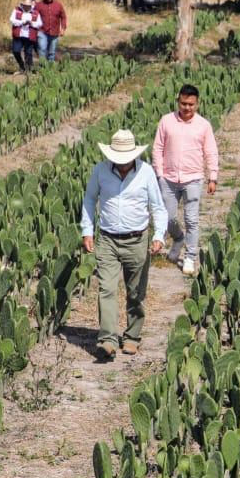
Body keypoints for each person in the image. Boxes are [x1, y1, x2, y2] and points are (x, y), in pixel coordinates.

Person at [80, 130, 167, 361]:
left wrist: (159, 235)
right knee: (106, 289)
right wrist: (87, 230)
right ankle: (107, 340)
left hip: (137, 240)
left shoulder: (146, 172)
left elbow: (158, 206)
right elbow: (89, 199)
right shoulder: (100, 171)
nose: (120, 162)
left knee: (135, 292)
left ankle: (132, 337)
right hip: (107, 239)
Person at [153, 84, 219, 276]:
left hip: (193, 179)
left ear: (197, 104)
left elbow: (211, 152)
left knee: (192, 220)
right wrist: (159, 173)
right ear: (178, 102)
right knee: (167, 217)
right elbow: (157, 148)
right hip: (169, 178)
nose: (187, 108)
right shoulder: (166, 121)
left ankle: (190, 256)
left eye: (191, 104)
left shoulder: (204, 125)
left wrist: (212, 177)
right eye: (183, 103)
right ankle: (178, 238)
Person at [9, 0, 42, 73]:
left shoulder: (35, 12)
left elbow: (39, 23)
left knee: (28, 53)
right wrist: (22, 22)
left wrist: (32, 23)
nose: (26, 7)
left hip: (29, 35)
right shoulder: (17, 10)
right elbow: (12, 20)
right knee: (16, 51)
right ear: (22, 4)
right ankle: (21, 65)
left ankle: (28, 69)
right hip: (18, 35)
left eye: (28, 5)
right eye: (25, 5)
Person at [35, 0, 67, 64]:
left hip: (55, 32)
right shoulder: (39, 5)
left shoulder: (58, 5)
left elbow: (63, 17)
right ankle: (42, 66)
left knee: (51, 52)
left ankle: (50, 68)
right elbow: (34, 17)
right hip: (42, 31)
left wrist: (62, 29)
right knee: (42, 49)